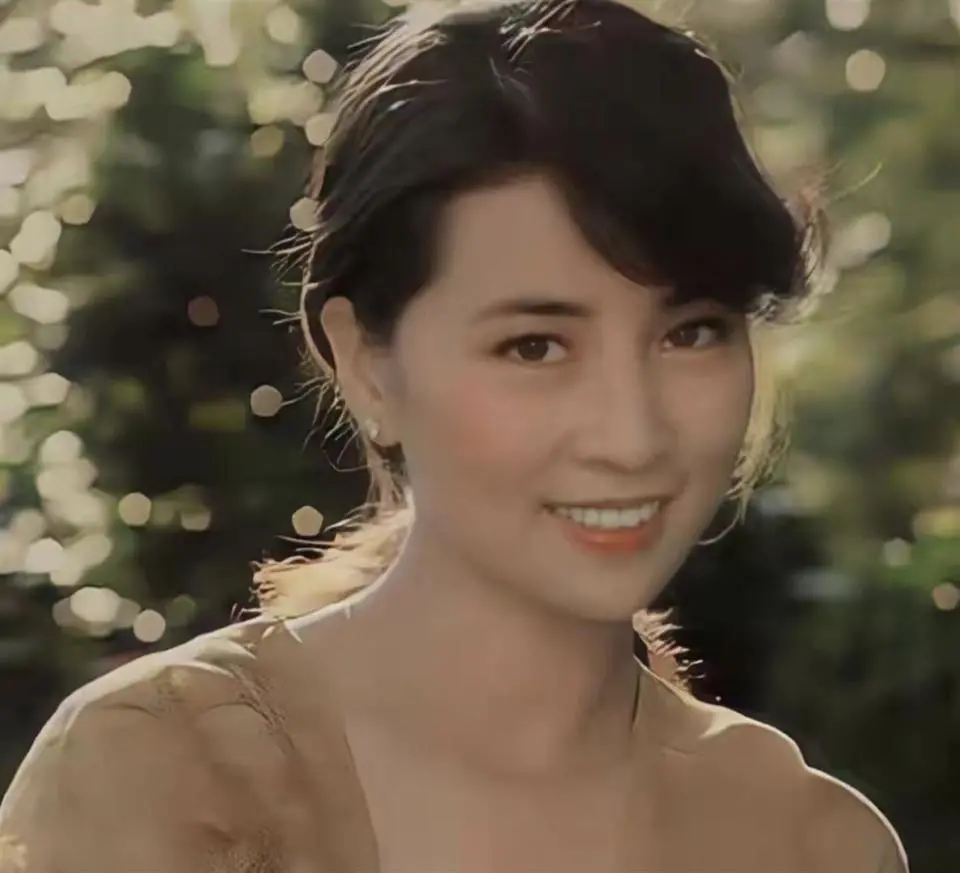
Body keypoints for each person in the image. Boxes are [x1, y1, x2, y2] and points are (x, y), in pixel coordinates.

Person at [0, 0, 908, 871]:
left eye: (692, 332)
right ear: (363, 361)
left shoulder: (809, 843)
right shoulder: (156, 774)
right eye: (535, 345)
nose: (632, 435)